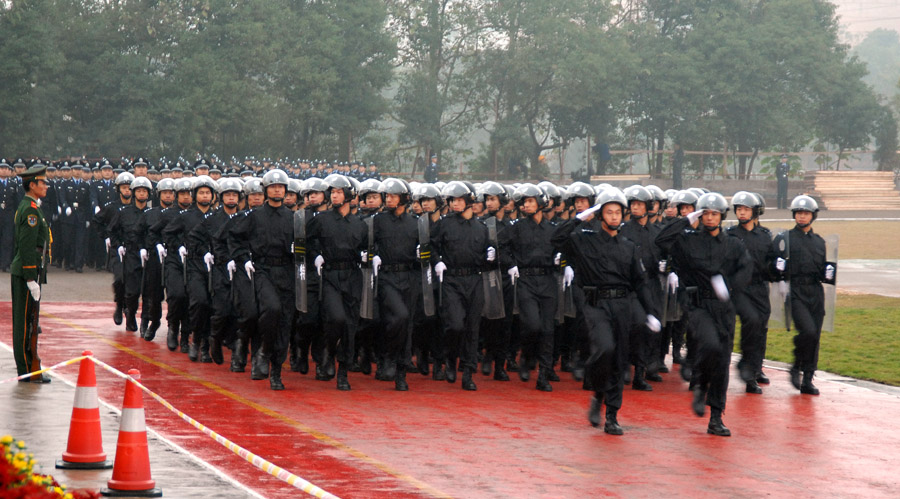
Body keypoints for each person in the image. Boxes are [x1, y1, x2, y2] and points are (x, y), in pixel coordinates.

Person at [552, 188, 659, 435]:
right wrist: (580, 217)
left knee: (619, 359)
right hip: (595, 304)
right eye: (608, 212)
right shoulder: (584, 239)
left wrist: (651, 312)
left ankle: (611, 414)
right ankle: (598, 392)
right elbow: (556, 239)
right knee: (604, 348)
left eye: (617, 212)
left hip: (622, 305)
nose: (614, 216)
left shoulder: (629, 247)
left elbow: (640, 282)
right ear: (600, 215)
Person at [656, 192, 752, 436]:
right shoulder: (688, 241)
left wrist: (730, 288)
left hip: (724, 308)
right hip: (698, 305)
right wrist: (688, 219)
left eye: (714, 214)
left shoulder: (733, 244)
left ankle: (716, 416)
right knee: (708, 345)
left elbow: (745, 268)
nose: (710, 218)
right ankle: (699, 384)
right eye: (705, 213)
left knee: (721, 360)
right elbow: (661, 238)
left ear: (721, 216)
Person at [228, 170, 296, 390]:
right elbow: (235, 237)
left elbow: (307, 246)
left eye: (280, 187)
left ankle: (276, 371)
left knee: (284, 322)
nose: (277, 190)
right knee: (272, 309)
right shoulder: (255, 216)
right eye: (273, 186)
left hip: (286, 271)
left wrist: (300, 251)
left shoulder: (293, 217)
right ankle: (264, 350)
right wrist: (243, 258)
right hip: (263, 270)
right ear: (266, 190)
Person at [306, 174, 367, 390]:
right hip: (330, 275)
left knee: (350, 326)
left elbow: (368, 247)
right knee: (336, 318)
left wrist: (368, 255)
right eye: (332, 192)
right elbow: (306, 241)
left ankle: (343, 371)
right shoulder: (321, 220)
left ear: (349, 196)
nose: (335, 195)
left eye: (339, 192)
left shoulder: (359, 224)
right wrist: (315, 255)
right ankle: (329, 351)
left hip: (352, 276)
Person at [431, 181, 494, 391]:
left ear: (469, 202)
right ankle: (450, 359)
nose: (455, 204)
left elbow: (489, 255)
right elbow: (431, 246)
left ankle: (468, 373)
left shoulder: (481, 228)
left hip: (475, 280)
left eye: (459, 200)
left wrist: (492, 255)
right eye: (452, 201)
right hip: (452, 279)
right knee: (455, 325)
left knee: (472, 328)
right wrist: (436, 260)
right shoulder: (444, 224)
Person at [501, 184, 559, 391]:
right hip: (525, 280)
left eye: (530, 201)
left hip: (548, 280)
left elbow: (565, 250)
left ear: (541, 204)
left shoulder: (553, 229)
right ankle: (526, 356)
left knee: (548, 329)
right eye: (524, 202)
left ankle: (543, 375)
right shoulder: (516, 228)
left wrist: (562, 260)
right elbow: (501, 247)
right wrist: (511, 264)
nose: (526, 205)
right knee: (532, 325)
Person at [726, 192, 778, 394]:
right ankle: (744, 370)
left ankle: (755, 370)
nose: (741, 212)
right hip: (738, 289)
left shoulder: (765, 236)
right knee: (741, 327)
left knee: (759, 330)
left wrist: (779, 269)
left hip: (759, 287)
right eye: (739, 209)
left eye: (746, 209)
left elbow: (771, 262)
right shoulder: (730, 235)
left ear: (755, 212)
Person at [783, 195, 830, 395]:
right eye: (799, 213)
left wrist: (828, 272)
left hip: (815, 291)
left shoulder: (819, 242)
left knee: (815, 336)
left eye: (806, 213)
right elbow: (775, 265)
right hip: (795, 290)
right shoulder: (785, 238)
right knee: (808, 331)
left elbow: (822, 269)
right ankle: (796, 364)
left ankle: (808, 378)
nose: (802, 217)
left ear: (813, 216)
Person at [10, 162, 52, 383]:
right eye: (43, 182)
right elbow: (26, 246)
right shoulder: (30, 209)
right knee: (24, 322)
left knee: (29, 320)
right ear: (32, 184)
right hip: (27, 272)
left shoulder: (32, 206)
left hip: (32, 270)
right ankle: (26, 369)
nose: (46, 186)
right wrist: (29, 277)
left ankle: (28, 365)